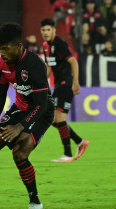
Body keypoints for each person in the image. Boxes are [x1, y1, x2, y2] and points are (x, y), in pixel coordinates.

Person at [0, 22, 55, 209]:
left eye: (5, 49)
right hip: (20, 108)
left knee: (20, 152)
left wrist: (20, 127)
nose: (2, 53)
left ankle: (36, 203)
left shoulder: (35, 64)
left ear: (18, 46)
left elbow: (41, 104)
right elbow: (0, 95)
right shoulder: (1, 63)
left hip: (41, 112)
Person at [40, 18, 89, 162]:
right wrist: (41, 83)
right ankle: (80, 142)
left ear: (54, 30)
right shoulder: (45, 46)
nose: (46, 32)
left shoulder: (59, 44)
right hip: (58, 85)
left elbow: (73, 61)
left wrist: (75, 82)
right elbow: (49, 67)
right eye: (43, 30)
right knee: (52, 120)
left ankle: (68, 154)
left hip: (66, 84)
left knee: (59, 119)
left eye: (48, 29)